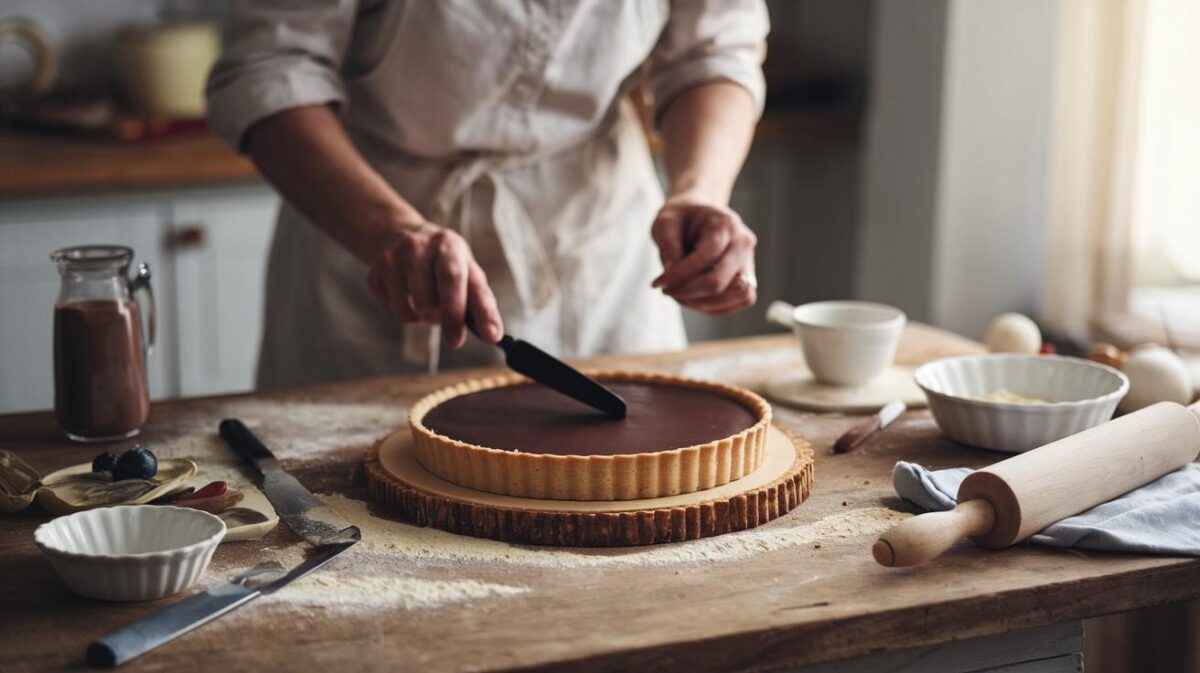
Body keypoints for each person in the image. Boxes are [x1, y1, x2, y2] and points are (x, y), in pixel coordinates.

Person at [207, 1, 768, 389]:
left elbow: (714, 52)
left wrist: (699, 191)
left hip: (600, 250)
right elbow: (271, 69)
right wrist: (391, 232)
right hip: (368, 227)